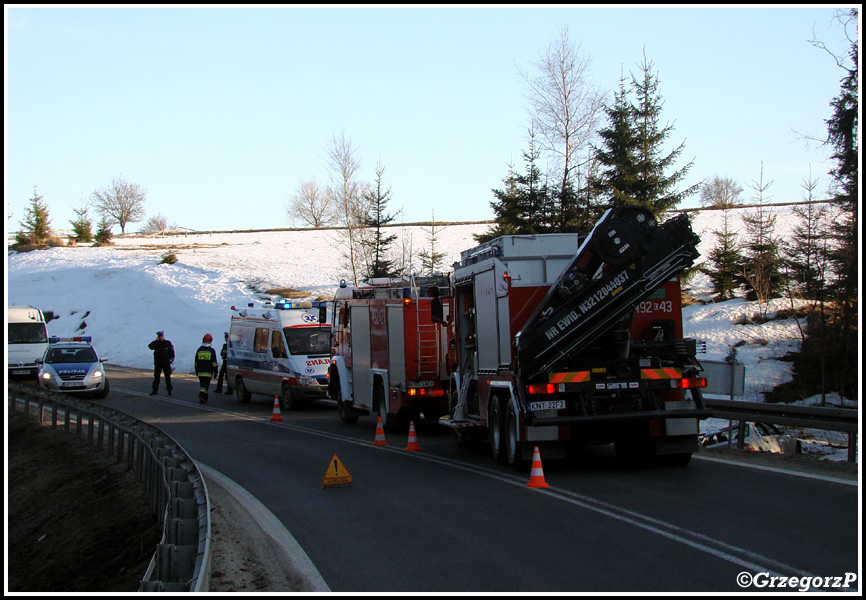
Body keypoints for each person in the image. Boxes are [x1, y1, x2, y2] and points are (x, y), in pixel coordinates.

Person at [149, 331, 175, 396]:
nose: (160, 338)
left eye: (161, 336)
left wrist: (171, 359)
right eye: (159, 336)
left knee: (167, 377)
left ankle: (169, 390)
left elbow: (172, 352)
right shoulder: (156, 344)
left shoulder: (167, 343)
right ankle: (155, 390)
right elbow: (150, 346)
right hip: (158, 363)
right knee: (157, 377)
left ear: (163, 336)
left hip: (166, 363)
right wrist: (156, 341)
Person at [195, 333, 219, 403]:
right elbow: (214, 362)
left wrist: (196, 370)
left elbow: (196, 362)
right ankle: (202, 395)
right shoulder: (211, 351)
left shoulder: (199, 350)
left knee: (203, 385)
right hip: (208, 372)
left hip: (200, 372)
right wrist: (216, 371)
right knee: (205, 386)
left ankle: (205, 397)